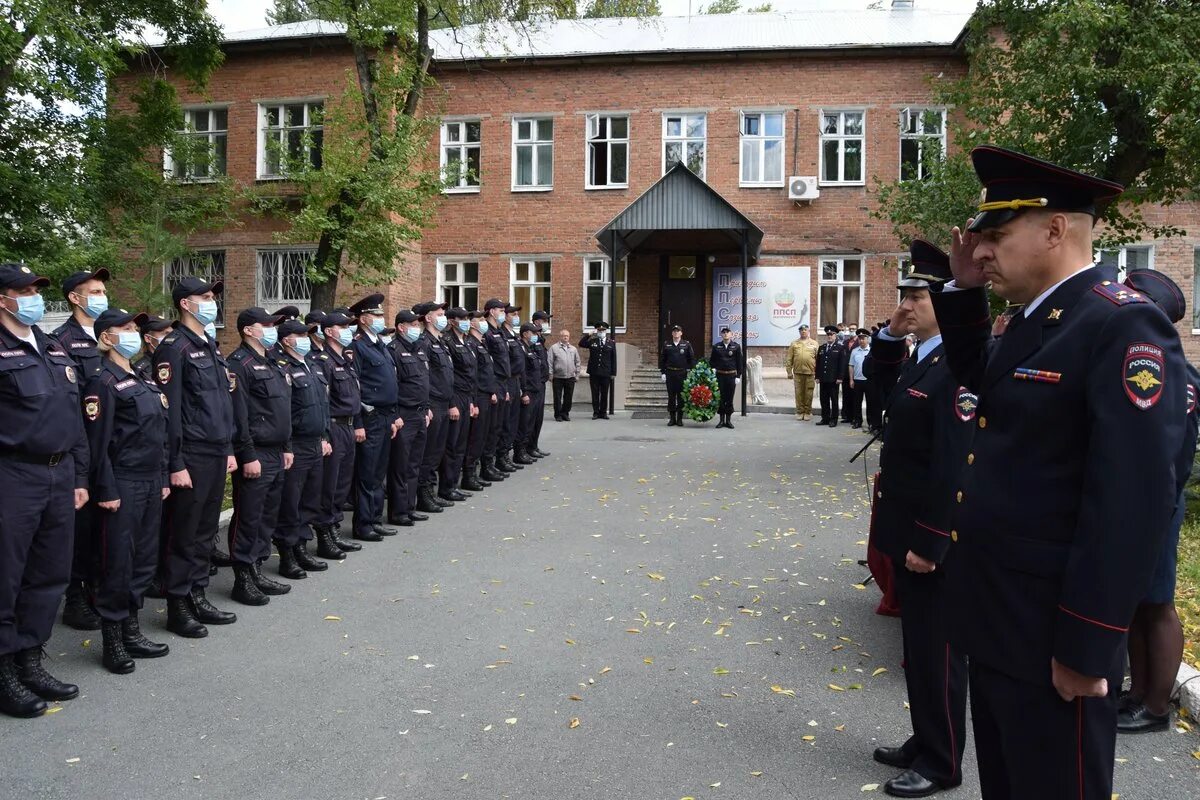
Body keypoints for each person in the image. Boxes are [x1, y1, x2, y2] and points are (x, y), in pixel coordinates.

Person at [936, 145, 1186, 800]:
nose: (982, 249)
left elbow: (1131, 503)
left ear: (1054, 229)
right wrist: (963, 290)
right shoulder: (1040, 319)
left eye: (996, 235)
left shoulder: (1120, 323)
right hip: (999, 622)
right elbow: (980, 382)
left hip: (1053, 637)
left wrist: (1087, 647)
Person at [869, 241, 972, 798]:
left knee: (938, 652)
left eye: (916, 295)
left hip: (931, 535)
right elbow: (879, 384)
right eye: (903, 294)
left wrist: (933, 540)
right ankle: (925, 735)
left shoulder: (956, 363)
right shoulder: (924, 353)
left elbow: (955, 461)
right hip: (905, 522)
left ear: (942, 302)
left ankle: (942, 760)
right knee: (919, 647)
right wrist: (890, 330)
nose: (905, 304)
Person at [0, 262, 88, 718]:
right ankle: (4, 672)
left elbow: (73, 422)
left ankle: (31, 660)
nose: (33, 296)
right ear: (3, 298)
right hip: (13, 475)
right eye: (23, 290)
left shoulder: (52, 348)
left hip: (58, 475)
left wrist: (77, 477)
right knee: (6, 576)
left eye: (36, 289)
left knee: (49, 573)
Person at [1118, 270, 1199, 733]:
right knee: (1135, 603)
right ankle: (1136, 694)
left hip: (1158, 503)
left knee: (1158, 604)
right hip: (1139, 502)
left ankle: (1156, 707)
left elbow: (1173, 452)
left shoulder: (1170, 372)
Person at [81, 308, 172, 674]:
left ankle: (132, 629)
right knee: (117, 561)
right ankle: (113, 640)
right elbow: (97, 444)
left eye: (134, 328)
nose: (133, 333)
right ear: (106, 337)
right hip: (122, 481)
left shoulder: (144, 378)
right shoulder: (101, 382)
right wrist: (106, 487)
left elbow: (158, 436)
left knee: (144, 559)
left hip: (151, 480)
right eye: (124, 328)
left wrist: (163, 476)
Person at [153, 276, 238, 638]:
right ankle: (177, 604)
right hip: (191, 453)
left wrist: (230, 448)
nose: (211, 301)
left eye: (212, 296)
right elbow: (169, 412)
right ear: (185, 304)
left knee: (204, 531)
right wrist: (175, 463)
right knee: (183, 533)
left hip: (216, 450)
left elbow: (221, 404)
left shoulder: (209, 345)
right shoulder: (174, 348)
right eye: (204, 296)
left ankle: (197, 593)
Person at [52, 267, 110, 631]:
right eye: (95, 291)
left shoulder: (112, 334)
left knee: (108, 525)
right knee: (82, 528)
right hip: (83, 445)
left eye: (103, 290)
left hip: (113, 445)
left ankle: (100, 590)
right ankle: (76, 598)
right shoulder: (62, 341)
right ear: (75, 297)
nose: (102, 297)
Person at [225, 307, 293, 605]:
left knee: (267, 516)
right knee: (248, 516)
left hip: (277, 451)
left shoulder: (273, 362)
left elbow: (282, 411)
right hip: (256, 453)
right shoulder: (239, 364)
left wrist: (287, 447)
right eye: (265, 325)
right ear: (248, 330)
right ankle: (242, 577)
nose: (271, 329)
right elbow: (239, 415)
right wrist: (247, 454)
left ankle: (257, 567)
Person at [273, 318, 333, 573]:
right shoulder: (282, 368)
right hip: (296, 443)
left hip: (314, 442)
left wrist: (325, 437)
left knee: (309, 499)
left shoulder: (313, 365)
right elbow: (283, 411)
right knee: (291, 502)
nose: (306, 339)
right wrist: (286, 446)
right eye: (300, 335)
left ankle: (301, 547)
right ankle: (287, 553)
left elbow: (323, 406)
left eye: (307, 335)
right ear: (286, 340)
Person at [346, 294, 402, 542]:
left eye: (381, 314)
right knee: (367, 473)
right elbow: (355, 386)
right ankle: (363, 523)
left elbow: (391, 382)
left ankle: (374, 519)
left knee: (378, 472)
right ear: (363, 318)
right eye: (377, 315)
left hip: (385, 415)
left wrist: (394, 415)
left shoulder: (379, 343)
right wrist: (358, 422)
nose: (381, 318)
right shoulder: (357, 345)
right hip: (369, 417)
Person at [309, 310, 363, 553]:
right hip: (334, 426)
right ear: (329, 332)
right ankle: (324, 535)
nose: (348, 331)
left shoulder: (345, 360)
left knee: (342, 483)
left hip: (349, 426)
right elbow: (323, 402)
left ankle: (334, 529)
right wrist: (324, 435)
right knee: (329, 485)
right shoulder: (324, 362)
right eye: (342, 327)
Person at [387, 309, 432, 524]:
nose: (417, 328)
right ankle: (398, 512)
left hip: (420, 413)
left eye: (418, 325)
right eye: (413, 325)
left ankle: (409, 506)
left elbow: (424, 383)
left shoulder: (419, 350)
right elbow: (392, 386)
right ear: (401, 327)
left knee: (415, 464)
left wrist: (427, 407)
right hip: (404, 414)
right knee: (400, 466)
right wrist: (395, 415)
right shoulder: (393, 350)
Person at [414, 301, 459, 505]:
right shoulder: (424, 342)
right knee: (430, 452)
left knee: (438, 451)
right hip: (433, 402)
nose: (443, 317)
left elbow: (446, 375)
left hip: (443, 401)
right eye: (439, 314)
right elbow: (426, 377)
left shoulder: (439, 341)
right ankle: (424, 494)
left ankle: (432, 492)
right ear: (428, 318)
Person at [441, 307, 478, 498]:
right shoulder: (448, 341)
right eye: (462, 318)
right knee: (452, 444)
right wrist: (452, 402)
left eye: (467, 318)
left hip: (467, 396)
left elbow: (471, 373)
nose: (465, 321)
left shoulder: (467, 342)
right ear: (452, 321)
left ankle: (454, 484)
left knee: (462, 443)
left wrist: (471, 400)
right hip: (455, 396)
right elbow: (450, 376)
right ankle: (447, 487)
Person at [467, 310, 505, 485]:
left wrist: (492, 391)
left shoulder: (480, 343)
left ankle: (483, 468)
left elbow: (488, 371)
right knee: (476, 437)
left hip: (487, 392)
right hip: (478, 395)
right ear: (472, 323)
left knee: (486, 434)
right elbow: (474, 374)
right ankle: (470, 475)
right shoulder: (471, 344)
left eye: (484, 319)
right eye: (480, 319)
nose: (483, 322)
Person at [482, 299, 516, 472]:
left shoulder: (500, 332)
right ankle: (487, 464)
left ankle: (498, 460)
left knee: (501, 424)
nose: (503, 313)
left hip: (504, 382)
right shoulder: (486, 332)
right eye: (500, 310)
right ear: (491, 311)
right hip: (495, 382)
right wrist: (493, 388)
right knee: (492, 426)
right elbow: (488, 363)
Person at [501, 304, 526, 466]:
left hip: (516, 380)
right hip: (507, 381)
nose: (516, 317)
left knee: (514, 421)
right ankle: (502, 456)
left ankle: (506, 455)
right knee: (506, 422)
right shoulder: (502, 334)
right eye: (513, 314)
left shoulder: (514, 335)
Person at [515, 322, 545, 461]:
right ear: (525, 333)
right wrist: (524, 392)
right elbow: (522, 372)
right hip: (529, 391)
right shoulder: (521, 349)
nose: (535, 336)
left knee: (532, 422)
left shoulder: (530, 348)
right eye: (533, 333)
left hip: (536, 389)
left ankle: (528, 449)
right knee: (524, 423)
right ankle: (520, 452)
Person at [659, 324, 697, 427]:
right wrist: (663, 372)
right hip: (670, 373)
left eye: (678, 331)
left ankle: (679, 419)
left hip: (682, 373)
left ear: (681, 333)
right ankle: (672, 418)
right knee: (671, 397)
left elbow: (692, 359)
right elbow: (662, 359)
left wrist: (692, 370)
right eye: (674, 331)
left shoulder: (686, 344)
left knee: (681, 397)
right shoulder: (667, 344)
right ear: (672, 333)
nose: (676, 332)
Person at [527, 311, 552, 458]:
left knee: (538, 418)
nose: (546, 323)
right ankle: (527, 448)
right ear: (536, 321)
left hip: (541, 382)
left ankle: (534, 445)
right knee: (530, 419)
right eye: (544, 320)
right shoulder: (531, 339)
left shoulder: (540, 339)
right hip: (533, 384)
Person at [581, 322, 617, 419]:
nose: (601, 332)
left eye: (603, 330)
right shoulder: (593, 341)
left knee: (604, 393)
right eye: (599, 330)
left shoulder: (611, 343)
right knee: (595, 393)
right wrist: (588, 335)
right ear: (597, 331)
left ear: (606, 331)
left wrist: (613, 372)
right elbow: (581, 344)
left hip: (606, 372)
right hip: (594, 372)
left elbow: (614, 359)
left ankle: (603, 412)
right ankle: (596, 412)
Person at [709, 326, 742, 429]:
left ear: (731, 334)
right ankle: (721, 420)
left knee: (729, 398)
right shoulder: (717, 346)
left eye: (727, 332)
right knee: (721, 398)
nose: (726, 334)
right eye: (723, 332)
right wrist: (713, 368)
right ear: (721, 335)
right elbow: (712, 360)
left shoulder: (736, 346)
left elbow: (739, 362)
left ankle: (728, 420)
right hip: (720, 375)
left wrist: (738, 376)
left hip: (731, 376)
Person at [785, 323, 819, 421]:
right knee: (799, 393)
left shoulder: (814, 344)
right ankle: (800, 412)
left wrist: (818, 374)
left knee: (808, 393)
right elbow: (789, 358)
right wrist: (789, 372)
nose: (803, 332)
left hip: (810, 373)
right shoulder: (794, 344)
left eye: (805, 330)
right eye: (801, 330)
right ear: (799, 332)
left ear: (808, 332)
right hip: (798, 373)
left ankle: (807, 412)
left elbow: (818, 360)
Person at [815, 325, 846, 427]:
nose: (829, 336)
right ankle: (825, 418)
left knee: (834, 400)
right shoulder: (822, 348)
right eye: (828, 334)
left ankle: (834, 419)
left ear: (835, 335)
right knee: (823, 400)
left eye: (831, 334)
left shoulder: (840, 348)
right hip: (823, 379)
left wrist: (840, 377)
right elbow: (818, 364)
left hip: (833, 380)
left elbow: (842, 364)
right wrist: (817, 376)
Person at [548, 328, 580, 421]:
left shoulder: (573, 349)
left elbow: (577, 362)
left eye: (567, 336)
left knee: (568, 397)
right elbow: (549, 361)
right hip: (558, 377)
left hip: (570, 377)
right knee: (557, 397)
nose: (565, 337)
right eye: (564, 336)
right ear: (560, 337)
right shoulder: (554, 348)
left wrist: (577, 375)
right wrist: (550, 374)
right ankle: (558, 415)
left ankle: (565, 413)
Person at [133, 315, 173, 383]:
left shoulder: (177, 361)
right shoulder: (140, 371)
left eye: (173, 333)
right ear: (148, 338)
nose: (171, 337)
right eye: (166, 333)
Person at [847, 329, 871, 429]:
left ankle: (871, 422)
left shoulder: (872, 351)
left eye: (863, 338)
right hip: (857, 380)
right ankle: (857, 421)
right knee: (857, 402)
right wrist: (851, 379)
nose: (861, 340)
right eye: (860, 338)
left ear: (867, 339)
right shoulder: (854, 351)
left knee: (870, 403)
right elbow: (851, 365)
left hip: (869, 381)